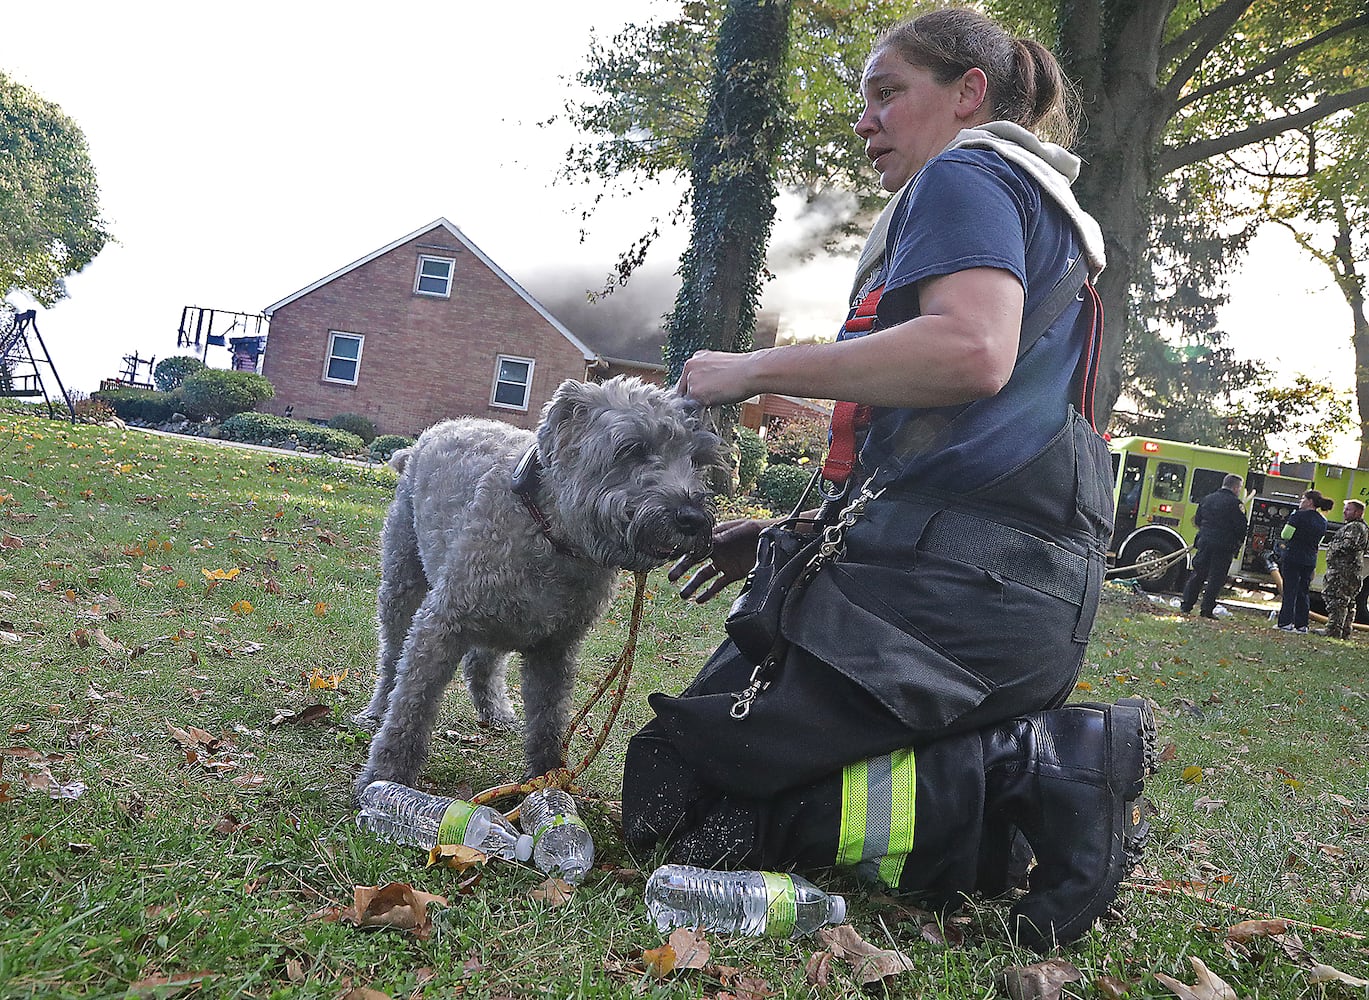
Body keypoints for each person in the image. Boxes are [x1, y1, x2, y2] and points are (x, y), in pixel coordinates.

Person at [621, 8, 1154, 949]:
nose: (864, 120)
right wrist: (793, 536)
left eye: (886, 92)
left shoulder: (967, 173)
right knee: (688, 780)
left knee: (678, 794)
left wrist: (753, 369)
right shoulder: (1034, 205)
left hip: (960, 599)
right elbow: (954, 443)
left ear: (969, 95)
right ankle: (984, 831)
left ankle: (1041, 768)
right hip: (1000, 591)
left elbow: (968, 353)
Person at [1179, 474, 1248, 618]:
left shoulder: (1207, 499)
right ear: (1235, 487)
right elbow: (1241, 528)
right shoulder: (1236, 504)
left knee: (1198, 574)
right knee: (1216, 578)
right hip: (1224, 546)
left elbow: (1197, 520)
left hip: (1205, 542)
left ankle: (1186, 605)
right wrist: (1237, 543)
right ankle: (1206, 609)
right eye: (1239, 488)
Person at [1275, 489, 1333, 632]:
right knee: (1303, 591)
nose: (1300, 501)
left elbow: (1286, 534)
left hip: (1294, 557)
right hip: (1309, 559)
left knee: (1290, 590)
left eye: (1303, 499)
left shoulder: (1298, 516)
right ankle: (1302, 625)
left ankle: (1285, 623)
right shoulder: (1322, 520)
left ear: (1310, 502)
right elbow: (1319, 541)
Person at [1320, 498, 1369, 639]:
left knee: (1337, 600)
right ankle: (1345, 631)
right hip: (1352, 570)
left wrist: (1333, 547)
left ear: (1358, 512)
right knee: (1348, 602)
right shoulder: (1362, 527)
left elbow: (1349, 545)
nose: (1344, 512)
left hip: (1343, 571)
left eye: (1348, 509)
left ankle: (1333, 630)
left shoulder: (1355, 527)